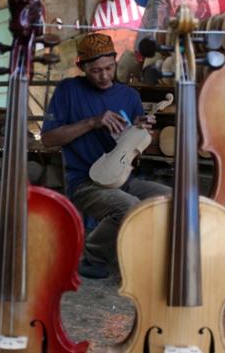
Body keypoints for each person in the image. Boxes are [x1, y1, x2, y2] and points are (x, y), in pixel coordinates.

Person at [41, 33, 171, 279]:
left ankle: (146, 257)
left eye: (109, 68)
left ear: (115, 60)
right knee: (129, 207)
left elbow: (133, 146)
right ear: (82, 67)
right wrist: (93, 122)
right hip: (84, 182)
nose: (104, 76)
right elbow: (48, 139)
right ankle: (92, 257)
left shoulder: (129, 97)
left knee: (170, 198)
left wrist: (140, 129)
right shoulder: (68, 90)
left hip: (122, 177)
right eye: (95, 70)